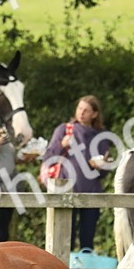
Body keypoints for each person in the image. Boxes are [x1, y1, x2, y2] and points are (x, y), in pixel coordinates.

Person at [43, 95, 110, 251]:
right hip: (66, 191)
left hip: (91, 193)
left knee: (88, 241)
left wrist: (101, 166)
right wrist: (62, 145)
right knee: (65, 240)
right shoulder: (64, 130)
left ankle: (84, 266)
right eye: (80, 108)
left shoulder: (101, 135)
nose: (81, 113)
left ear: (95, 114)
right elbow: (48, 158)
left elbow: (104, 172)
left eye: (86, 110)